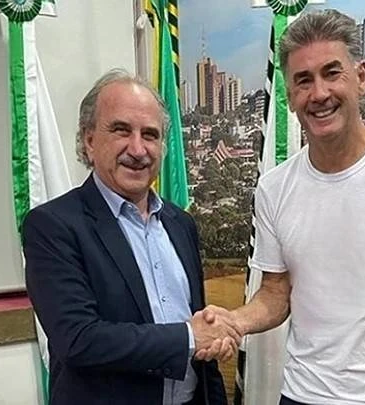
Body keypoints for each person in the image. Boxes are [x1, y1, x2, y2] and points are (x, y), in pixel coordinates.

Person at [200, 9, 365, 405]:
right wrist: (233, 321)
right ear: (290, 96)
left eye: (332, 73)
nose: (319, 93)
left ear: (360, 77)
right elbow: (276, 292)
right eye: (303, 80)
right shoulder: (274, 189)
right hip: (302, 396)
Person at [23, 69, 239, 405]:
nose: (138, 149)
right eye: (121, 130)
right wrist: (189, 337)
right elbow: (79, 339)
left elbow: (199, 339)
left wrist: (208, 340)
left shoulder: (181, 223)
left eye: (150, 135)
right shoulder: (53, 226)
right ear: (89, 141)